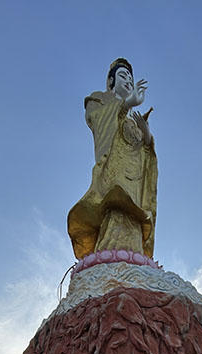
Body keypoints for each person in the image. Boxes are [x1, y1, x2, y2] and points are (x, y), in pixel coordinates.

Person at [67, 58, 158, 260]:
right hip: (114, 173)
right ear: (110, 82)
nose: (128, 81)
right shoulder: (99, 100)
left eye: (131, 79)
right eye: (123, 76)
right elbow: (96, 119)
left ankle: (134, 253)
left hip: (134, 176)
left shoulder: (133, 120)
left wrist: (147, 136)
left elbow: (144, 152)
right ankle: (110, 251)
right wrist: (125, 105)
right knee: (117, 203)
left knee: (135, 212)